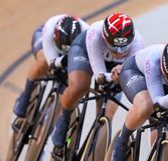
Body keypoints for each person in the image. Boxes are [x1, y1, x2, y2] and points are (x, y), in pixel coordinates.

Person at [51, 13, 144, 152]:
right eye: (114, 46)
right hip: (86, 53)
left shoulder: (137, 43)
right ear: (105, 37)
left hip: (114, 67)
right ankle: (63, 120)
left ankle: (95, 151)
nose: (119, 51)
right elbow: (99, 75)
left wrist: (121, 76)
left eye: (123, 47)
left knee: (107, 114)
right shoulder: (95, 34)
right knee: (79, 86)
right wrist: (111, 77)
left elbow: (134, 74)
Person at [12, 14, 89, 120]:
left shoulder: (87, 34)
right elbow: (51, 60)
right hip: (44, 41)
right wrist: (61, 61)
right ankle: (26, 96)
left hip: (73, 52)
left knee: (69, 88)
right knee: (43, 62)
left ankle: (48, 125)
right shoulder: (50, 28)